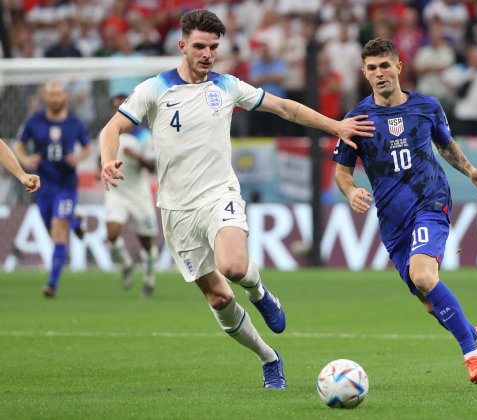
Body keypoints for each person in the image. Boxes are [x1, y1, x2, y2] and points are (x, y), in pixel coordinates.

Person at [99, 9, 374, 389]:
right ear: (182, 46)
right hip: (176, 209)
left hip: (219, 194)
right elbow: (112, 127)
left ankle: (261, 293)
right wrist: (106, 158)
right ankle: (269, 357)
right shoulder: (155, 89)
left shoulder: (226, 87)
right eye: (199, 46)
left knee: (232, 265)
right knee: (217, 298)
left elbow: (284, 107)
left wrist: (335, 125)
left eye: (213, 46)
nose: (207, 53)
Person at [333, 38, 477, 385]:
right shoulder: (356, 119)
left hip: (430, 201)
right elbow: (342, 172)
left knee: (423, 275)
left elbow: (445, 144)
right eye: (372, 68)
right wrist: (350, 191)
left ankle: (471, 353)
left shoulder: (426, 106)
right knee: (428, 300)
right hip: (393, 219)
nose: (379, 74)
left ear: (398, 67)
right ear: (364, 72)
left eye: (385, 66)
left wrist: (470, 171)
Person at [14, 81, 91, 298]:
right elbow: (18, 145)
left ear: (65, 96)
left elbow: (88, 147)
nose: (55, 98)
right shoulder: (34, 121)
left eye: (58, 94)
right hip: (42, 186)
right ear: (45, 97)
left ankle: (52, 284)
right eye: (51, 94)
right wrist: (26, 160)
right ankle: (75, 221)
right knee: (53, 229)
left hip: (66, 184)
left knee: (58, 229)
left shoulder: (74, 122)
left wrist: (77, 159)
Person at [101, 94, 159, 297]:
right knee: (112, 234)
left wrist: (136, 157)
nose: (119, 112)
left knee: (146, 243)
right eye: (115, 108)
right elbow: (97, 162)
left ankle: (149, 277)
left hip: (138, 194)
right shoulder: (109, 133)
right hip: (116, 192)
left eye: (122, 107)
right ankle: (126, 265)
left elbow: (153, 167)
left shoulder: (143, 137)